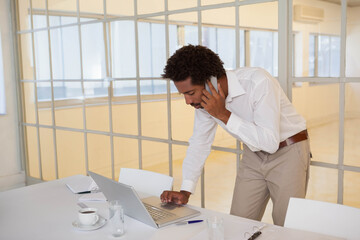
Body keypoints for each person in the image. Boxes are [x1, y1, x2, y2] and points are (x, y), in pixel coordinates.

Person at [160, 45, 311, 226]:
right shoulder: (204, 103)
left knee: (287, 226)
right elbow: (199, 143)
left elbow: (269, 142)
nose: (188, 101)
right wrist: (185, 190)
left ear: (211, 81)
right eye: (183, 94)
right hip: (252, 154)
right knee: (238, 223)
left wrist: (223, 113)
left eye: (190, 93)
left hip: (288, 152)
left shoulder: (258, 81)